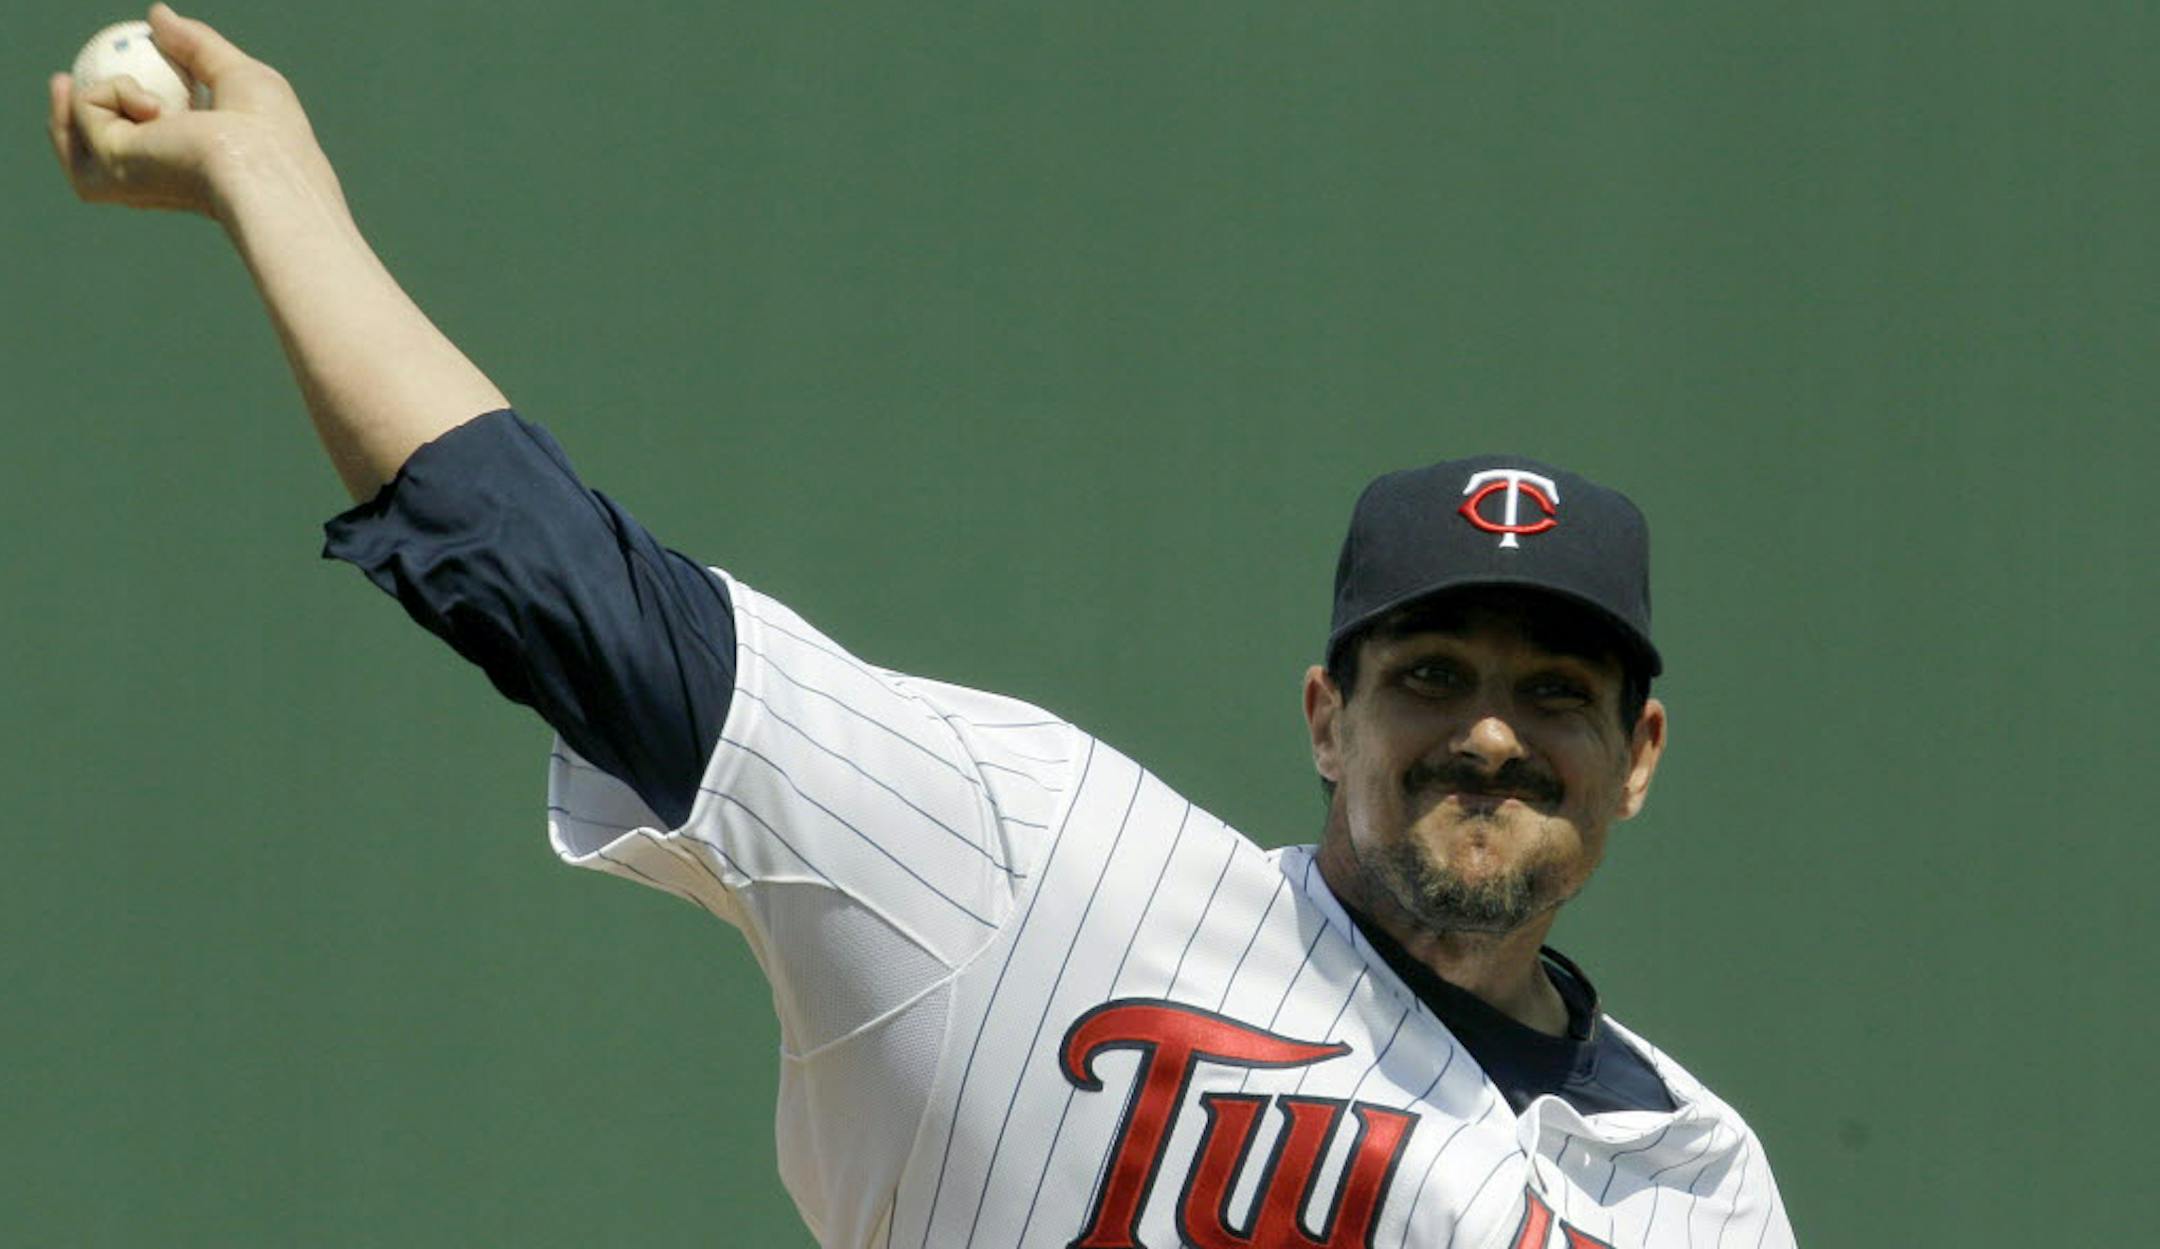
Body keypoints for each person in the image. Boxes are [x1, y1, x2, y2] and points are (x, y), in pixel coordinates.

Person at [50, 9, 1796, 1247]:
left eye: (1553, 689)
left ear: (1635, 755)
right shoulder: (1037, 859)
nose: (1488, 733)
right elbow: (553, 578)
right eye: (1431, 674)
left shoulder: (1695, 1182)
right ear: (1328, 715)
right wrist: (271, 189)